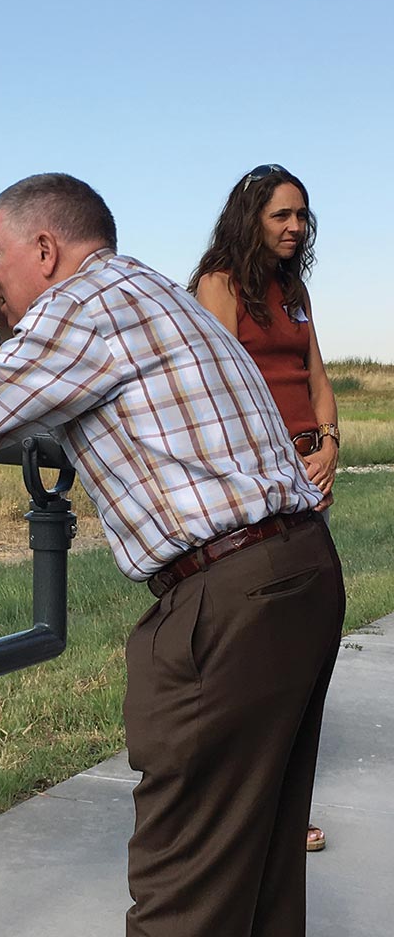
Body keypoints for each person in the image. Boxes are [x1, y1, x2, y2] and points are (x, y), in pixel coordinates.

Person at [0, 173, 345, 937]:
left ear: (45, 247)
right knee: (258, 868)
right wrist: (4, 316)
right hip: (297, 573)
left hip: (227, 598)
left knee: (185, 888)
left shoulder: (83, 307)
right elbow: (48, 392)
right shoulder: (144, 292)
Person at [188, 164, 338, 854]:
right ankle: (246, 811)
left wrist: (329, 444)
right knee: (259, 662)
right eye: (282, 215)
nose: (295, 227)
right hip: (261, 489)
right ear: (251, 217)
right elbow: (214, 394)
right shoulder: (220, 284)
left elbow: (315, 374)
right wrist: (281, 471)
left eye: (302, 216)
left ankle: (285, 810)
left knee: (302, 655)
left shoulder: (293, 288)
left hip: (310, 474)